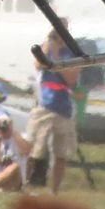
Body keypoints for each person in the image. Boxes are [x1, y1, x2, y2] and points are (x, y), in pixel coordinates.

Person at [27, 26, 80, 195]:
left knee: (61, 153)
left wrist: (56, 56)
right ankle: (25, 184)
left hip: (64, 108)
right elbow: (38, 65)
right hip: (44, 106)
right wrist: (47, 47)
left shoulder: (72, 52)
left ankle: (54, 191)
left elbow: (71, 79)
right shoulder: (46, 48)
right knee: (33, 149)